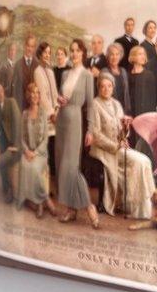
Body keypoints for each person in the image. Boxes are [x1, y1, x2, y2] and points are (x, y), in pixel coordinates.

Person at [88, 75, 155, 219]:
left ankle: (141, 207)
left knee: (144, 161)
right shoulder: (94, 104)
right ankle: (132, 204)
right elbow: (96, 134)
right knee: (138, 162)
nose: (106, 89)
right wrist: (116, 145)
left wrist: (125, 128)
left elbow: (122, 132)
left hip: (119, 147)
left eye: (109, 86)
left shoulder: (116, 104)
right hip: (103, 150)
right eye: (103, 86)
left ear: (113, 87)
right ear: (98, 88)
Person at [55, 39, 100, 229]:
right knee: (61, 166)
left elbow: (90, 104)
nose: (74, 54)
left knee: (70, 167)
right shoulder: (65, 74)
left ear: (83, 53)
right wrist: (58, 101)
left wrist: (90, 129)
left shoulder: (87, 76)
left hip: (75, 120)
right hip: (61, 120)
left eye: (77, 50)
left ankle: (89, 207)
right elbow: (60, 98)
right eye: (71, 50)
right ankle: (72, 210)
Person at [17, 83, 59, 218]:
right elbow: (21, 138)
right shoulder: (24, 114)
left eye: (37, 93)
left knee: (35, 168)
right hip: (27, 152)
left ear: (39, 96)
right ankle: (44, 201)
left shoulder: (44, 114)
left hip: (40, 153)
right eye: (32, 93)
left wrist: (35, 153)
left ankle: (41, 202)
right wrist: (27, 151)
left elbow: (45, 139)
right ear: (28, 96)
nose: (34, 96)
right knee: (25, 164)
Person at [34, 42, 60, 192]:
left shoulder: (50, 72)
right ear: (40, 54)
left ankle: (53, 186)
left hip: (54, 116)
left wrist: (56, 110)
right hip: (45, 117)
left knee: (53, 150)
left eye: (49, 53)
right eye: (45, 52)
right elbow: (42, 97)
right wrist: (51, 113)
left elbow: (55, 94)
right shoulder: (37, 71)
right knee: (45, 152)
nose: (48, 55)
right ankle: (44, 187)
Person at [0, 83, 22, 203]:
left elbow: (18, 125)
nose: (0, 95)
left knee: (1, 160)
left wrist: (15, 147)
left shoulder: (11, 102)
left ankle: (10, 190)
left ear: (4, 92)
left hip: (16, 146)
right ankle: (2, 186)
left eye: (1, 91)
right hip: (6, 146)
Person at [128, 45, 157, 115]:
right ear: (133, 56)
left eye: (144, 54)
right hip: (131, 113)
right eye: (140, 54)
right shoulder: (127, 75)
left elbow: (152, 98)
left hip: (145, 113)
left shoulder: (149, 75)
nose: (143, 56)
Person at [104, 42, 131, 115]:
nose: (114, 57)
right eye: (112, 54)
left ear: (120, 56)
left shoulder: (123, 71)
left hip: (124, 110)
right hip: (110, 111)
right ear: (108, 56)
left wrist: (128, 111)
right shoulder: (104, 72)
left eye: (117, 54)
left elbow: (127, 93)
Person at [13, 34, 38, 109]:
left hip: (34, 108)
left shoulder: (38, 65)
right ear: (25, 46)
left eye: (32, 46)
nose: (30, 49)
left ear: (34, 48)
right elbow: (15, 91)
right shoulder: (18, 65)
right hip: (21, 107)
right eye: (28, 46)